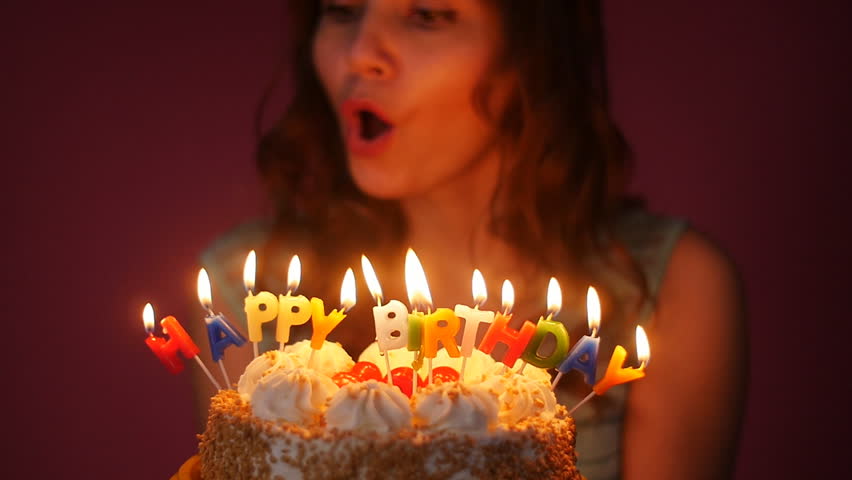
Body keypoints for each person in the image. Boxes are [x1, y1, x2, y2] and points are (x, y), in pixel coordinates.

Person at [189, 1, 747, 479]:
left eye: (428, 14)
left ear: (531, 51)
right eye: (341, 9)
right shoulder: (248, 290)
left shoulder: (671, 284)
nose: (359, 52)